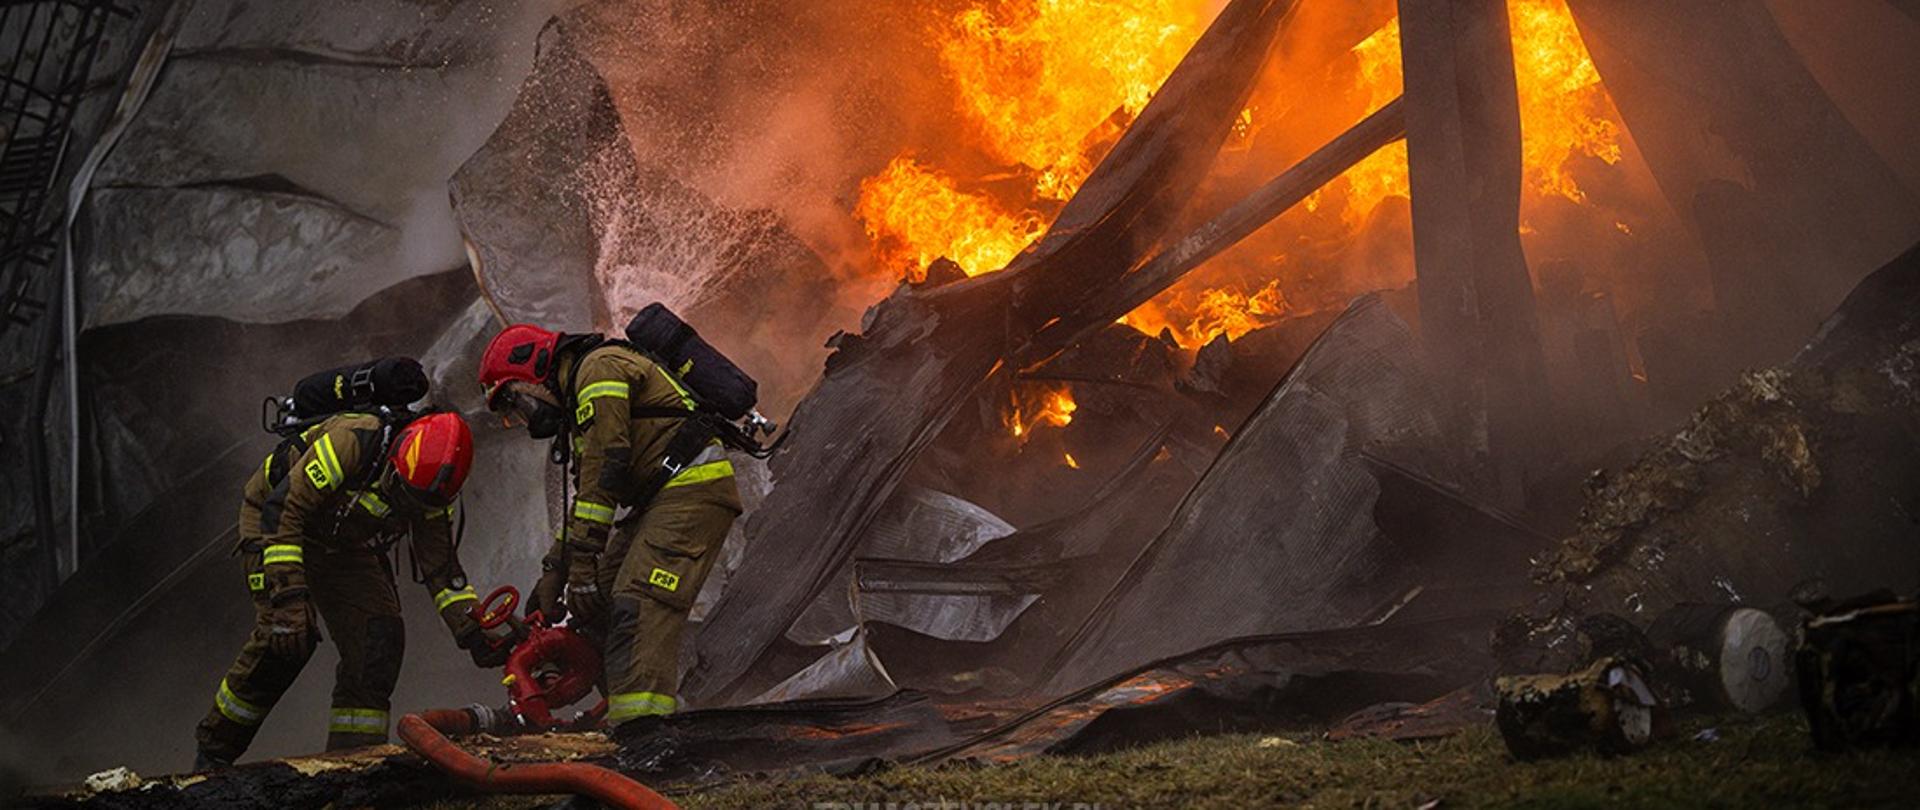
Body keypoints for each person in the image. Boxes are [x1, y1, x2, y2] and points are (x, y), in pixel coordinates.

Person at [193, 410, 502, 770]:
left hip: (341, 542)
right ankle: (214, 753)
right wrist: (289, 600)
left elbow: (441, 568)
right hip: (276, 525)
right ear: (397, 456)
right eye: (403, 495)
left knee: (378, 639)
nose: (408, 508)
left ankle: (351, 762)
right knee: (288, 638)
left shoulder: (430, 493)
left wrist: (472, 630)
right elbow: (284, 508)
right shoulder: (353, 440)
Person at [477, 324, 741, 726]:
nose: (526, 420)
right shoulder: (581, 400)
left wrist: (581, 567)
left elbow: (606, 471)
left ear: (532, 367)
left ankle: (645, 739)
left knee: (637, 603)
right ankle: (618, 717)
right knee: (597, 605)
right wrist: (556, 569)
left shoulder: (599, 372)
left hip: (691, 491)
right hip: (662, 500)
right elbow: (588, 498)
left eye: (517, 404)